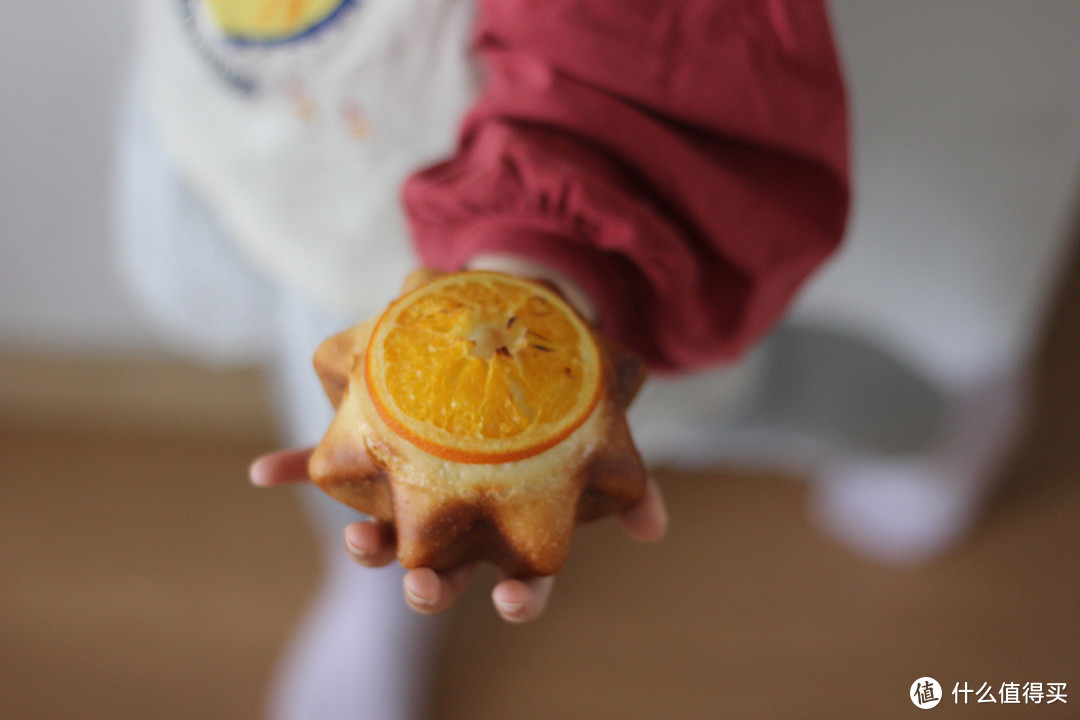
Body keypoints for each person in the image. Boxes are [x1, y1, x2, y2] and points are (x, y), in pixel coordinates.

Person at [119, 0, 1080, 718]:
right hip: (306, 183)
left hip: (588, 277)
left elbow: (647, 43)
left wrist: (536, 275)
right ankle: (372, 595)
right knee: (340, 435)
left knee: (760, 393)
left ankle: (939, 428)